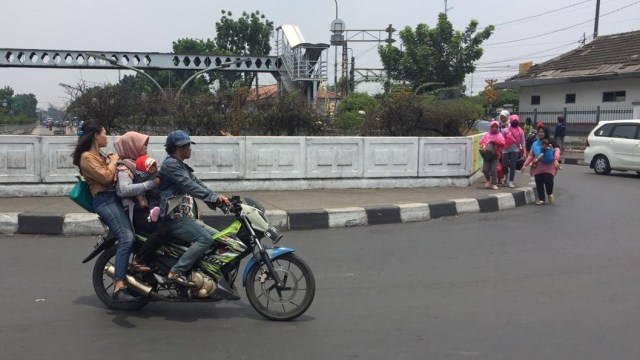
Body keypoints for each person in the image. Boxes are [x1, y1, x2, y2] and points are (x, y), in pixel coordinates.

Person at [158, 130, 242, 298]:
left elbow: (198, 184)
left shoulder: (180, 164)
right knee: (204, 239)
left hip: (184, 216)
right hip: (173, 218)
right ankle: (176, 272)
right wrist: (213, 197)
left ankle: (202, 275)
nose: (190, 149)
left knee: (219, 238)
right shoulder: (171, 165)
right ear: (178, 148)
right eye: (187, 145)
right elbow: (189, 186)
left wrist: (219, 199)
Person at [71, 120, 137, 301]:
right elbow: (107, 178)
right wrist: (114, 162)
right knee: (126, 237)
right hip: (105, 202)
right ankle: (118, 285)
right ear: (95, 136)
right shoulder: (86, 157)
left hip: (114, 199)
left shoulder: (98, 155)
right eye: (104, 133)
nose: (106, 136)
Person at [113, 132, 168, 269]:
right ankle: (139, 260)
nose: (145, 148)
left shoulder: (138, 164)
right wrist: (151, 184)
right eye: (143, 145)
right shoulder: (124, 167)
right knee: (163, 231)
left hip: (144, 206)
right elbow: (124, 190)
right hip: (135, 210)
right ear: (132, 147)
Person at [521, 126, 561, 205]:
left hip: (549, 166)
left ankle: (550, 193)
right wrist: (525, 165)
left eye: (542, 132)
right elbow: (531, 155)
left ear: (546, 133)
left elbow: (557, 150)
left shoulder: (551, 142)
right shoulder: (535, 143)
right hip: (538, 166)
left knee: (548, 181)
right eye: (539, 132)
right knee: (539, 182)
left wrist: (556, 159)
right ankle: (541, 199)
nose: (540, 134)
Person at [500, 114, 525, 188]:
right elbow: (501, 140)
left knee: (513, 165)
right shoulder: (505, 130)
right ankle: (506, 174)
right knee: (504, 165)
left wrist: (525, 152)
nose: (515, 122)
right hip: (505, 149)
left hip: (515, 150)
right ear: (510, 121)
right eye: (513, 121)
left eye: (516, 121)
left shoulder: (520, 131)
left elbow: (523, 142)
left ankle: (511, 181)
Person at [479, 120, 505, 190]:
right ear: (490, 127)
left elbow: (502, 143)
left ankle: (494, 183)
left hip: (495, 155)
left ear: (498, 128)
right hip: (486, 155)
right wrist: (483, 146)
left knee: (494, 170)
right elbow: (481, 142)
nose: (494, 128)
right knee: (485, 169)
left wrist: (495, 142)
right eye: (493, 126)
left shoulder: (499, 135)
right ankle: (488, 180)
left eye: (496, 127)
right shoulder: (486, 135)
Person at [134, 155, 161, 221]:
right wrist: (140, 199)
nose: (153, 168)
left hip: (159, 192)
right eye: (150, 167)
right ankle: (152, 213)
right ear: (142, 168)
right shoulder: (139, 176)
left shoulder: (155, 173)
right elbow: (138, 188)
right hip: (149, 194)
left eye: (154, 166)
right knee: (152, 202)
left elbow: (161, 177)